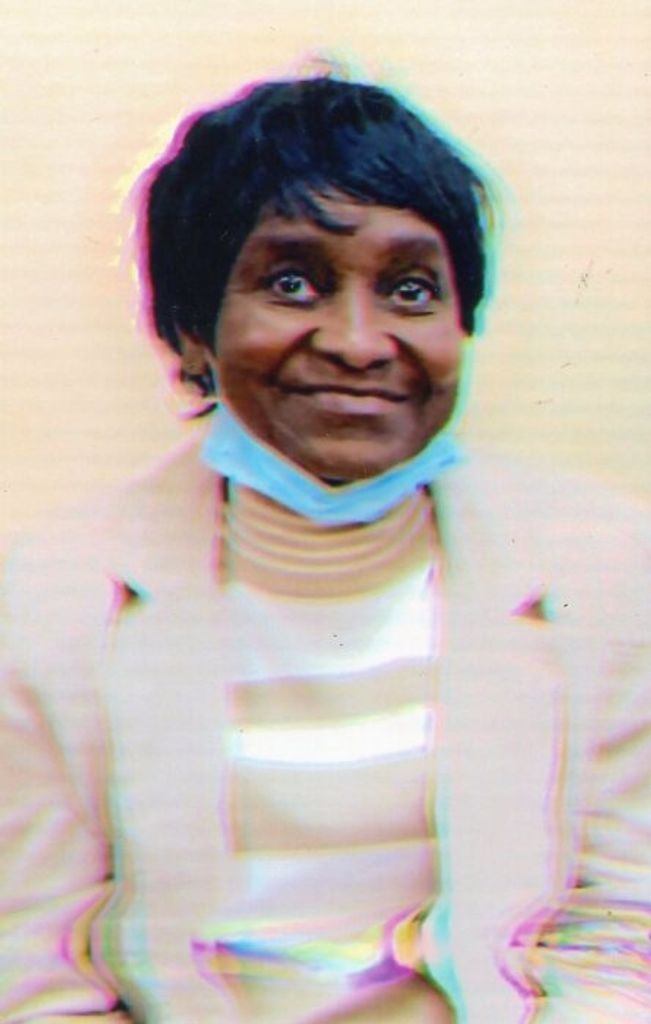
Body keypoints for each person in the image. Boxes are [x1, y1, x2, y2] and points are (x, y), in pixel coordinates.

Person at [0, 75, 649, 1024]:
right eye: (292, 282)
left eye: (410, 290)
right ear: (191, 330)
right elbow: (36, 972)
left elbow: (624, 930)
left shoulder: (602, 568)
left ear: (460, 324)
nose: (357, 342)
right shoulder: (50, 600)